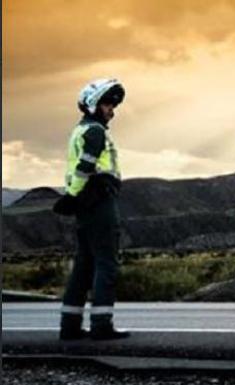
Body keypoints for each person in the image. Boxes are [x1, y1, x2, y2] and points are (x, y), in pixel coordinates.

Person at [53, 78, 130, 340]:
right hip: (98, 201)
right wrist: (72, 196)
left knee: (84, 265)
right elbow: (86, 166)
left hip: (85, 205)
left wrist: (71, 198)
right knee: (106, 263)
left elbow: (78, 169)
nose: (112, 110)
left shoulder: (79, 130)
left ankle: (70, 326)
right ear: (94, 104)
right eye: (108, 103)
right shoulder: (95, 131)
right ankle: (101, 326)